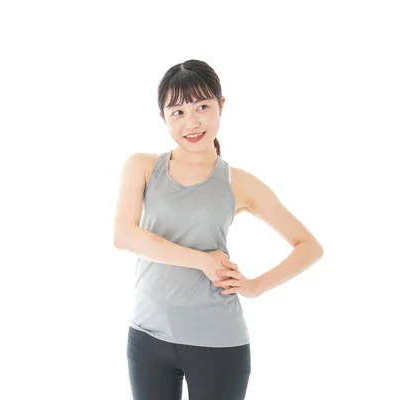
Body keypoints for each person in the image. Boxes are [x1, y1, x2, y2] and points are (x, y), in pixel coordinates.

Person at [113, 59, 324, 400]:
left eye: (202, 106)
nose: (192, 122)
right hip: (147, 336)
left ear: (221, 106)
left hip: (218, 342)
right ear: (163, 117)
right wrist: (202, 260)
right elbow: (124, 236)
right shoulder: (141, 166)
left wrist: (254, 287)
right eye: (177, 111)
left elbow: (309, 246)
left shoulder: (239, 183)